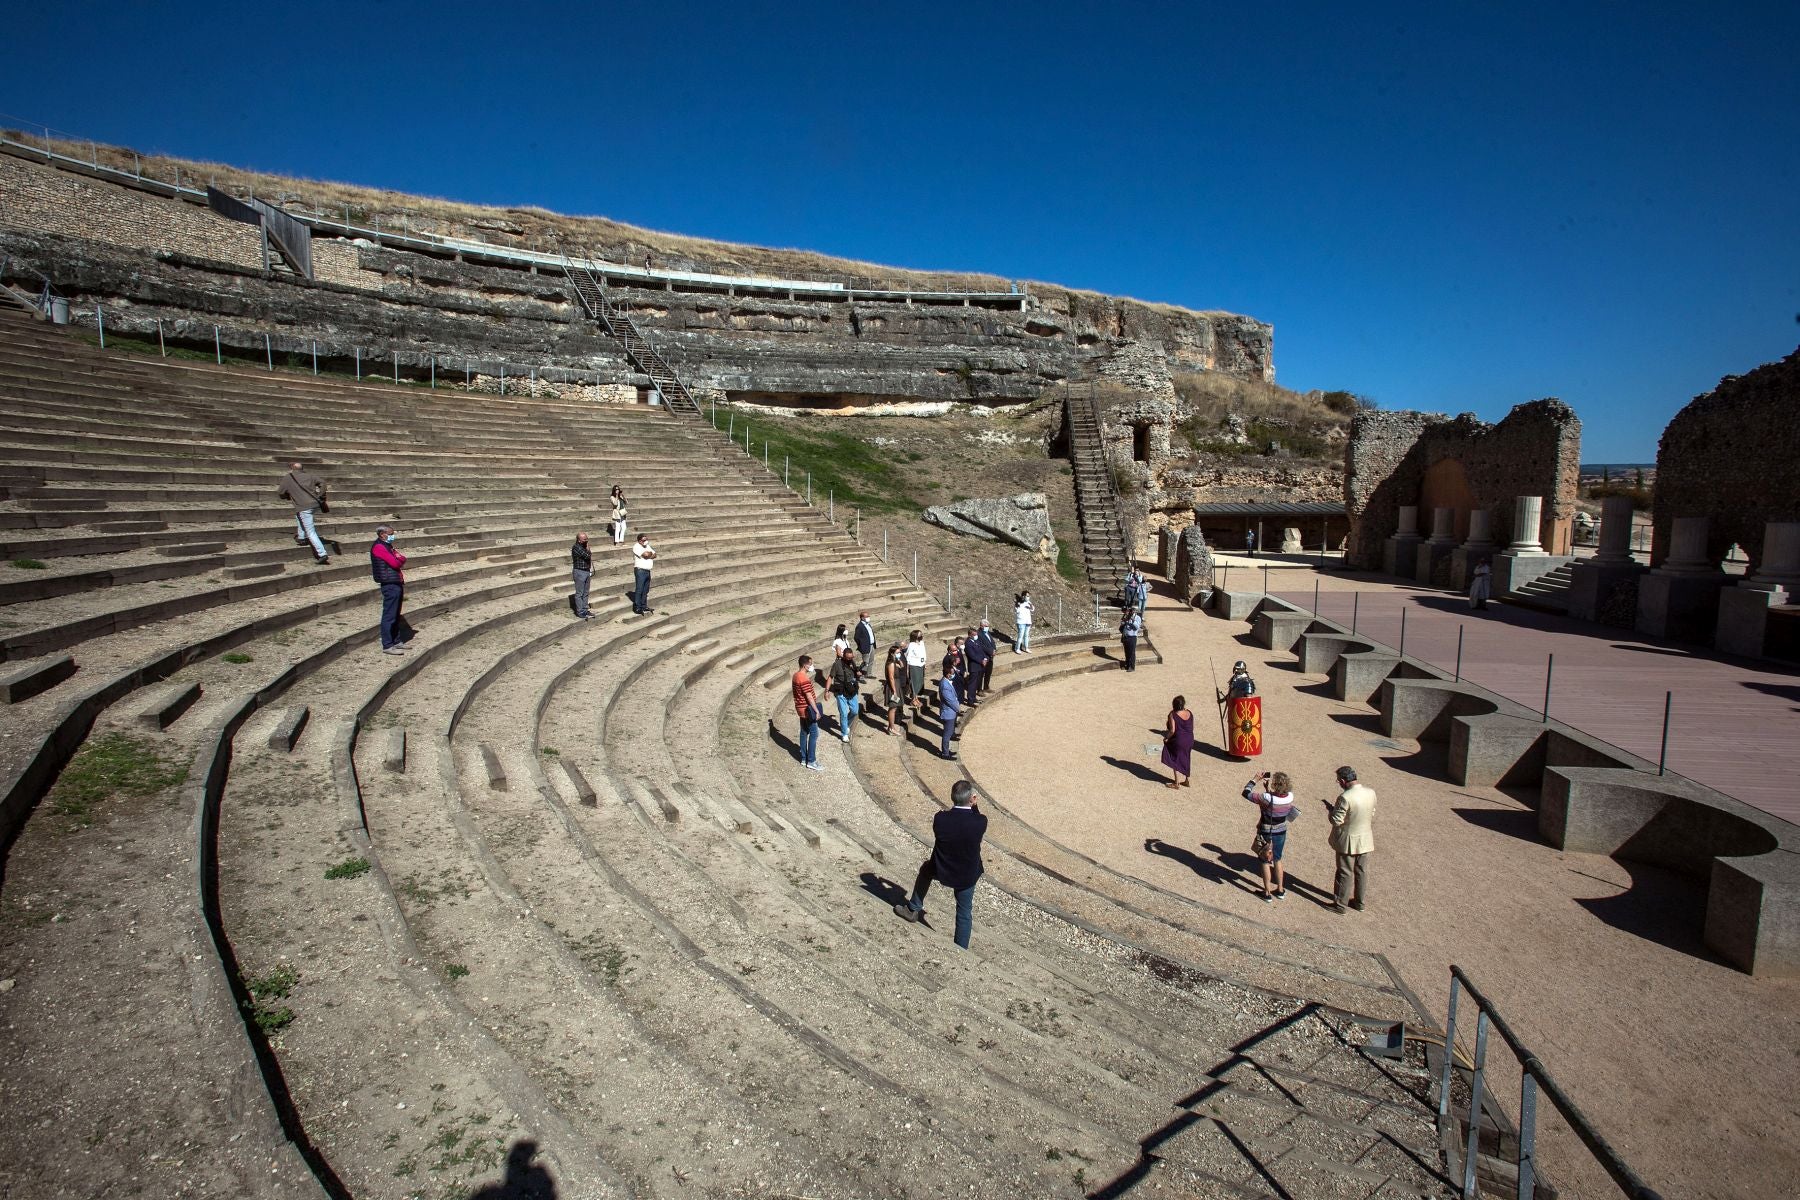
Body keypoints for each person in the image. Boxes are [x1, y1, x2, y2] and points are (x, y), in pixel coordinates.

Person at [893, 779, 988, 949]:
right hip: (967, 873)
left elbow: (951, 823)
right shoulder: (980, 822)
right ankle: (961, 949)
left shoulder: (940, 819)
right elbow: (975, 818)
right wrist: (974, 806)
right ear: (971, 799)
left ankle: (913, 908)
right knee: (964, 911)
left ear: (952, 797)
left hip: (942, 868)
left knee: (925, 870)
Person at [1327, 765, 1377, 914]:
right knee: (1361, 872)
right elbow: (1372, 812)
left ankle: (1340, 905)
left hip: (1347, 840)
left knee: (1344, 872)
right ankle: (1359, 902)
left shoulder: (1345, 797)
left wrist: (1331, 812)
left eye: (1338, 781)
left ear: (1343, 781)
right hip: (1365, 838)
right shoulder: (1370, 792)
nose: (1339, 783)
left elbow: (1336, 820)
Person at [1244, 770, 1298, 901]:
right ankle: (1280, 889)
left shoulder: (1266, 798)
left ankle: (1267, 892)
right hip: (1281, 832)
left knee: (1265, 861)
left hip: (1267, 833)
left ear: (1275, 784)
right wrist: (1267, 790)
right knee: (1277, 860)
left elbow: (1246, 793)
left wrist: (1254, 780)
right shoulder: (1290, 797)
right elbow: (1274, 802)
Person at [278, 461, 330, 565]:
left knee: (310, 532)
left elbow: (280, 492)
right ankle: (301, 538)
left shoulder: (288, 478)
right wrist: (320, 495)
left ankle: (322, 553)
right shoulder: (310, 475)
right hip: (315, 504)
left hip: (304, 507)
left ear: (292, 468)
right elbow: (323, 483)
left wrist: (288, 495)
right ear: (302, 468)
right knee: (299, 516)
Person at [369, 524, 407, 655]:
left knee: (395, 614)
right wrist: (398, 559)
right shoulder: (379, 547)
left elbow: (403, 558)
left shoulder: (387, 546)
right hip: (389, 583)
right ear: (382, 534)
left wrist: (399, 559)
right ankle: (387, 645)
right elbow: (396, 562)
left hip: (396, 581)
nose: (392, 536)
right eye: (390, 534)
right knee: (389, 615)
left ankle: (396, 641)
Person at [1217, 660, 1262, 759]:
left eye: (1238, 669)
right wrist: (1223, 700)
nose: (1236, 670)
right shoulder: (1235, 678)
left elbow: (1249, 699)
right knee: (1233, 728)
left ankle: (1241, 752)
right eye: (1235, 668)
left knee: (1242, 731)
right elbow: (1231, 693)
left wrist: (1244, 710)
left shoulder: (1247, 682)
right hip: (1234, 707)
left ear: (1243, 669)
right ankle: (1233, 750)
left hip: (1242, 712)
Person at [791, 654, 823, 771]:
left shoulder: (795, 675)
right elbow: (809, 697)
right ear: (805, 665)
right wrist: (816, 711)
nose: (812, 666)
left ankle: (804, 758)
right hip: (807, 709)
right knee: (814, 733)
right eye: (810, 664)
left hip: (800, 708)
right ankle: (811, 760)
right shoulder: (803, 678)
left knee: (804, 732)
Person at [829, 646, 862, 742]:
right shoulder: (837, 664)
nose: (850, 659)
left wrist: (858, 674)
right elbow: (830, 677)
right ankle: (844, 734)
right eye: (848, 658)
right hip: (840, 691)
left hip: (851, 690)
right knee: (843, 713)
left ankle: (846, 724)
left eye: (851, 657)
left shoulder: (852, 663)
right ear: (844, 656)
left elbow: (855, 674)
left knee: (855, 711)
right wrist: (827, 691)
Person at [1161, 695, 1194, 789]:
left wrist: (1166, 738)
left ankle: (1177, 783)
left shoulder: (1173, 714)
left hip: (1179, 740)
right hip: (1190, 739)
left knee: (1174, 758)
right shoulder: (1189, 713)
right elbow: (1192, 727)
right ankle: (1187, 780)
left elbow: (1172, 730)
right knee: (1186, 757)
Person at [935, 661, 962, 760]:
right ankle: (945, 753)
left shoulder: (945, 682)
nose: (953, 674)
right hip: (948, 713)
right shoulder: (945, 685)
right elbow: (950, 700)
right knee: (947, 734)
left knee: (949, 733)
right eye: (952, 673)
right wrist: (958, 708)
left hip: (949, 712)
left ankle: (946, 751)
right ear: (948, 674)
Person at [964, 624, 993, 704]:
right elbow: (972, 655)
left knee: (976, 683)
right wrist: (981, 661)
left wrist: (985, 658)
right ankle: (970, 700)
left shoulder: (976, 641)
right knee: (972, 684)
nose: (976, 636)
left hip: (980, 666)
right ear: (970, 635)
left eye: (976, 634)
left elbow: (981, 651)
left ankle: (974, 698)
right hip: (974, 666)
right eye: (974, 635)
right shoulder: (968, 643)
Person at [882, 644, 906, 734]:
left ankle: (891, 727)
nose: (899, 654)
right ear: (892, 654)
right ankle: (891, 728)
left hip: (896, 685)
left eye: (900, 652)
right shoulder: (891, 664)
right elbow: (891, 678)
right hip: (893, 687)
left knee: (894, 707)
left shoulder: (894, 662)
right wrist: (894, 691)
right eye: (897, 653)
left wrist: (899, 659)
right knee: (893, 707)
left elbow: (902, 666)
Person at [630, 533, 656, 614]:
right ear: (639, 541)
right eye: (644, 540)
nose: (646, 541)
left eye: (646, 539)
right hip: (640, 571)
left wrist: (649, 555)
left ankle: (644, 606)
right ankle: (637, 607)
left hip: (647, 571)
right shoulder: (636, 546)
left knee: (645, 590)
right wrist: (649, 554)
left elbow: (655, 555)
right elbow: (646, 555)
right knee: (639, 589)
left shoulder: (647, 546)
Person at [569, 531, 593, 619]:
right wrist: (587, 547)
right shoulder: (576, 547)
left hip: (586, 571)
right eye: (584, 539)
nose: (586, 541)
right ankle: (580, 611)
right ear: (579, 540)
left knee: (586, 592)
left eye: (587, 539)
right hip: (579, 572)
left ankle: (585, 609)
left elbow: (589, 555)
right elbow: (587, 555)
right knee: (580, 593)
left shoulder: (583, 546)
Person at [904, 629, 928, 707]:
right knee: (914, 682)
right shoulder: (911, 645)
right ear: (915, 636)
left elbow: (923, 653)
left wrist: (924, 663)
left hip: (921, 665)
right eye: (920, 635)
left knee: (919, 682)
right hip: (914, 666)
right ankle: (913, 699)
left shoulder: (922, 643)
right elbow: (908, 657)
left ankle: (916, 698)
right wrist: (907, 669)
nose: (921, 636)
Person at [973, 619, 998, 693]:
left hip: (990, 657)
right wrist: (990, 652)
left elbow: (992, 642)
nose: (987, 627)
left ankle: (986, 687)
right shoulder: (978, 634)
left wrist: (994, 650)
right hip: (983, 657)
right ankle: (979, 690)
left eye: (988, 626)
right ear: (981, 626)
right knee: (981, 674)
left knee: (988, 673)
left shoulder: (987, 632)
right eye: (986, 626)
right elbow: (981, 646)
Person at [1119, 606, 1143, 672]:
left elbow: (1137, 627)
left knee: (1131, 653)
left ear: (1134, 611)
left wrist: (1132, 620)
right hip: (1125, 636)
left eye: (1131, 610)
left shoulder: (1137, 618)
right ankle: (1127, 665)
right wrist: (1123, 622)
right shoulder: (1126, 616)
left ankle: (1132, 667)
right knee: (1126, 652)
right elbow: (1122, 626)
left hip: (1132, 637)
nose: (1130, 612)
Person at [854, 611, 876, 676]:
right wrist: (862, 645)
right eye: (867, 616)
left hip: (872, 645)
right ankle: (860, 673)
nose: (868, 617)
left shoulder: (868, 624)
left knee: (871, 660)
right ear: (862, 618)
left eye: (868, 616)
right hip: (865, 646)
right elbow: (856, 637)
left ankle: (869, 674)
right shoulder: (859, 626)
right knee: (866, 661)